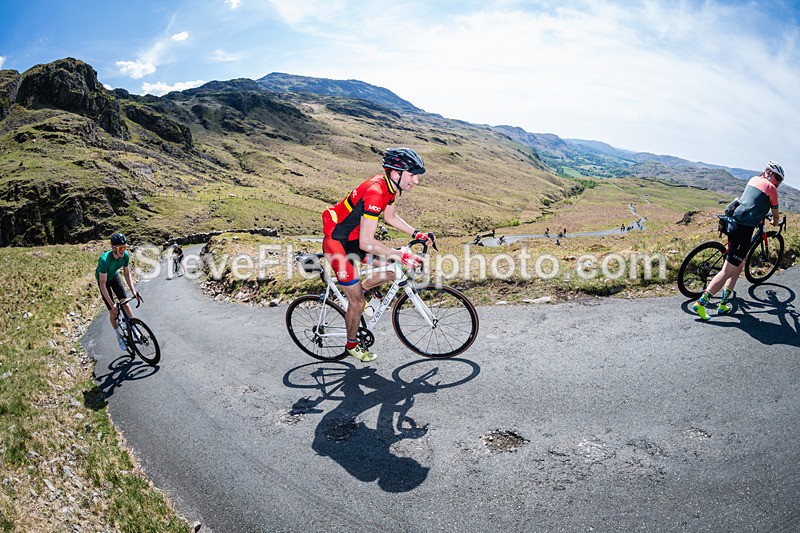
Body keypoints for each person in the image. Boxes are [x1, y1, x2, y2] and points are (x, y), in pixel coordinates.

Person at [322, 148, 433, 362]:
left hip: (353, 241)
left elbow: (390, 217)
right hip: (338, 245)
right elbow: (367, 243)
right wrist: (401, 255)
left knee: (393, 269)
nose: (416, 181)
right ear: (396, 173)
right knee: (357, 303)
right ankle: (352, 345)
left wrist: (416, 233)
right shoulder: (375, 192)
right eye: (412, 175)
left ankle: (363, 289)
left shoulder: (389, 187)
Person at [692, 161, 784, 320]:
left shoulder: (753, 179)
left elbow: (752, 201)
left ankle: (723, 304)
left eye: (780, 180)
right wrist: (775, 223)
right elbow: (775, 217)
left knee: (739, 265)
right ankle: (701, 303)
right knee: (727, 271)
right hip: (743, 230)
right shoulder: (771, 189)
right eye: (778, 177)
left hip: (732, 222)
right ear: (769, 173)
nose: (778, 182)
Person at [96, 233, 141, 350]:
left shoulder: (125, 256)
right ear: (113, 248)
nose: (123, 250)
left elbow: (127, 274)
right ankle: (119, 336)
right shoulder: (104, 261)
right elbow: (102, 285)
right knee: (113, 312)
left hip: (114, 276)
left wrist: (134, 291)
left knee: (125, 303)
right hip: (104, 282)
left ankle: (134, 329)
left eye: (124, 247)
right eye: (120, 248)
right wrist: (112, 305)